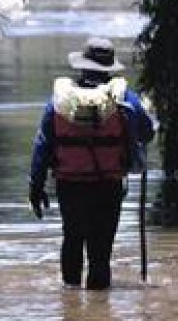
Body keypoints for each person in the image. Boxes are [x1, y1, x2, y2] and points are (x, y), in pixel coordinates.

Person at [27, 36, 157, 290]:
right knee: (101, 249)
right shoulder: (125, 99)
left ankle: (70, 299)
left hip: (70, 184)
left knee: (72, 238)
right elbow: (148, 133)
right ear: (109, 69)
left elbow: (42, 145)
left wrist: (36, 186)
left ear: (83, 66)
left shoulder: (61, 101)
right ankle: (100, 309)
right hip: (108, 184)